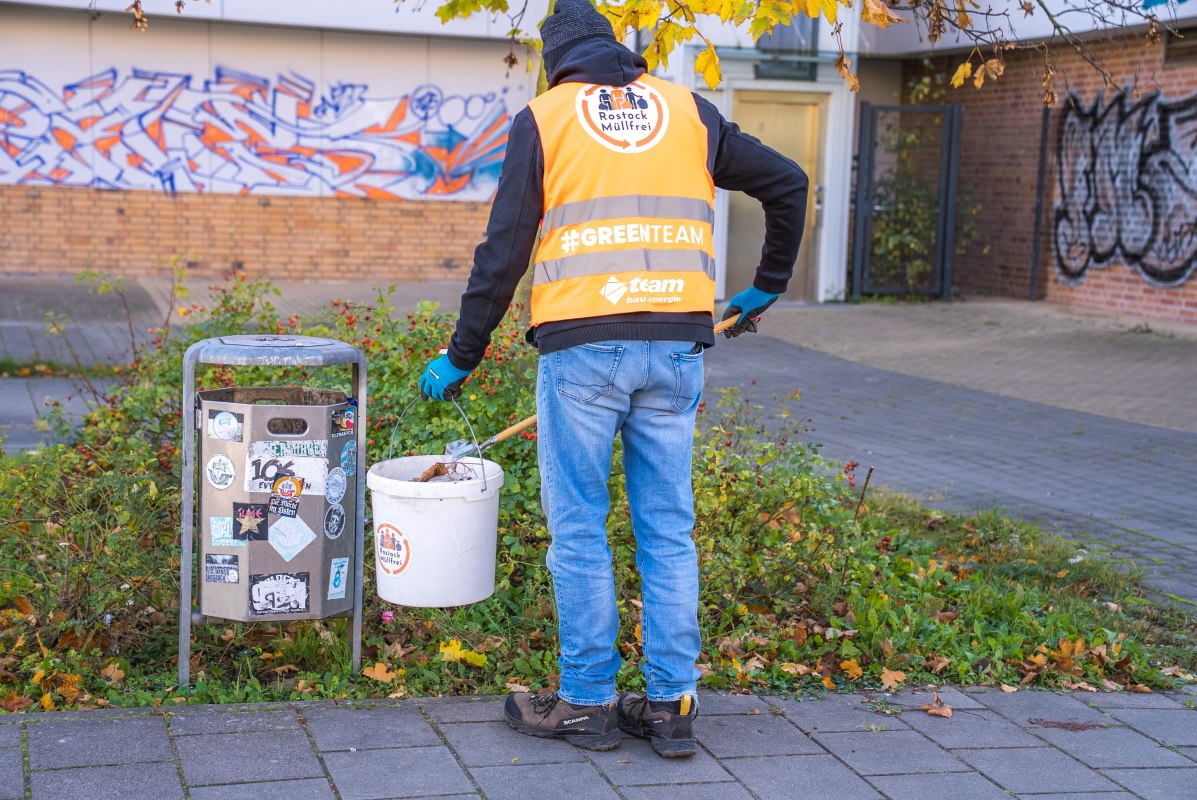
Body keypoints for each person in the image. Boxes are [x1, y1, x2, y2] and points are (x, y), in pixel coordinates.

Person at [419, 0, 808, 758]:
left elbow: (504, 252)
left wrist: (462, 354)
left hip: (583, 353)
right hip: (677, 349)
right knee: (668, 531)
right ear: (620, 53)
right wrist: (765, 284)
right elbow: (787, 182)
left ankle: (587, 703)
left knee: (579, 530)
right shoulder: (687, 111)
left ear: (552, 60)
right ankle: (669, 707)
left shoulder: (547, 116)